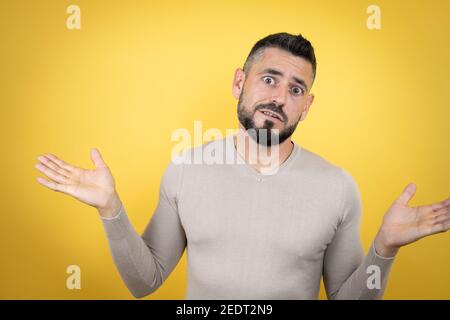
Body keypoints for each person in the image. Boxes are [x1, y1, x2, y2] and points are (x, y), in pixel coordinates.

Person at [35, 33, 450, 299]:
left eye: (296, 89)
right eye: (269, 79)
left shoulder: (338, 187)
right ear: (239, 83)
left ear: (306, 106)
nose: (279, 98)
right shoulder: (186, 169)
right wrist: (111, 209)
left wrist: (384, 249)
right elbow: (145, 283)